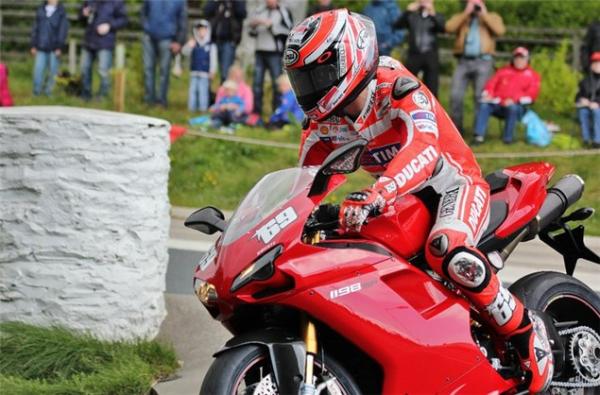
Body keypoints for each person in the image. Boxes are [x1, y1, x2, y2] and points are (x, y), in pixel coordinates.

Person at [283, 10, 553, 393]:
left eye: (319, 75)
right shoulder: (324, 123)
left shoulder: (395, 85)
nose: (311, 87)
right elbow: (306, 183)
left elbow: (423, 148)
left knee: (448, 249)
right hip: (399, 201)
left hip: (454, 185)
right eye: (303, 78)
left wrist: (380, 192)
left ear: (350, 57)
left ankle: (527, 335)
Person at [446, 0, 505, 134]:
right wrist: (466, 13)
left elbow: (500, 31)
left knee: (480, 97)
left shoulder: (492, 16)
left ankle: (478, 132)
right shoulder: (463, 17)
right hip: (463, 61)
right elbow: (449, 27)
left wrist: (484, 14)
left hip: (483, 61)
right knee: (455, 95)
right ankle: (456, 131)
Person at [473, 47, 540, 145]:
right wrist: (488, 94)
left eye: (522, 58)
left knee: (512, 108)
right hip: (498, 104)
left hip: (518, 107)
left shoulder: (533, 75)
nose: (519, 61)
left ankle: (508, 138)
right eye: (517, 58)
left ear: (527, 60)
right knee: (484, 105)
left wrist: (515, 100)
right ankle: (478, 136)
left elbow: (532, 96)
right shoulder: (503, 71)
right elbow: (491, 84)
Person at [248, 0, 293, 117]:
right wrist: (254, 25)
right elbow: (250, 31)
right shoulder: (259, 10)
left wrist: (272, 26)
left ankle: (277, 113)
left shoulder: (283, 11)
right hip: (259, 51)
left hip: (274, 53)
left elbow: (289, 30)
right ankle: (256, 113)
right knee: (257, 84)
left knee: (277, 84)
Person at [394, 0, 445, 96]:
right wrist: (407, 11)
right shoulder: (413, 16)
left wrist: (432, 13)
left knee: (432, 89)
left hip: (430, 56)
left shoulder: (436, 16)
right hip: (414, 55)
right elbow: (397, 25)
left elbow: (442, 28)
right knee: (407, 85)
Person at [142, 0, 188, 107]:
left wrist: (179, 41)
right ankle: (149, 100)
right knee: (148, 69)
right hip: (149, 37)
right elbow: (143, 12)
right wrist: (146, 27)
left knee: (164, 71)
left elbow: (182, 20)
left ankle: (161, 101)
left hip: (167, 39)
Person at [79, 0, 128, 100]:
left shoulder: (116, 2)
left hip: (105, 42)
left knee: (103, 71)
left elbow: (123, 20)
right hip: (88, 40)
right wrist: (83, 14)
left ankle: (102, 96)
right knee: (84, 68)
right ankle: (85, 95)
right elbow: (80, 17)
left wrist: (109, 26)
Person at [30, 0, 69, 96]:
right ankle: (36, 92)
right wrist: (33, 45)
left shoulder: (61, 12)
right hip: (41, 46)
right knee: (38, 71)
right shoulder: (41, 10)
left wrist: (59, 47)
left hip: (54, 47)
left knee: (53, 71)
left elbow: (62, 30)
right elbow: (35, 28)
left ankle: (49, 92)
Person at [203, 0, 247, 83]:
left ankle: (225, 94)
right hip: (212, 40)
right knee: (208, 72)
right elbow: (206, 11)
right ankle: (208, 94)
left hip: (229, 41)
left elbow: (242, 13)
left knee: (225, 73)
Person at [182, 20, 218, 112]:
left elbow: (213, 60)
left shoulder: (211, 46)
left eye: (203, 30)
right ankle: (191, 108)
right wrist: (189, 46)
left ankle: (203, 108)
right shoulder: (194, 43)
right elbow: (184, 52)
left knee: (203, 91)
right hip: (194, 72)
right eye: (199, 30)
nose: (201, 32)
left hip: (204, 73)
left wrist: (212, 71)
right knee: (193, 91)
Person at [576, 52, 600, 148]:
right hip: (589, 106)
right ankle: (586, 140)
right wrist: (581, 100)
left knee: (597, 111)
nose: (597, 65)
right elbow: (578, 96)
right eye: (595, 63)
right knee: (583, 111)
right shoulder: (585, 81)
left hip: (597, 107)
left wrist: (598, 103)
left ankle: (597, 141)